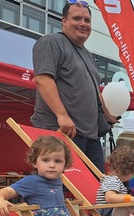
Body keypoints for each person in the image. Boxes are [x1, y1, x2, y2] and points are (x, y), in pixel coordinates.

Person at [31, 0, 115, 173]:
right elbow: (43, 79)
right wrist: (62, 115)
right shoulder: (51, 42)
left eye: (87, 20)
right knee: (57, 188)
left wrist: (106, 115)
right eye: (77, 18)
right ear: (64, 21)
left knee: (96, 189)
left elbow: (94, 89)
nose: (83, 24)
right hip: (61, 131)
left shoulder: (88, 55)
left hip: (89, 134)